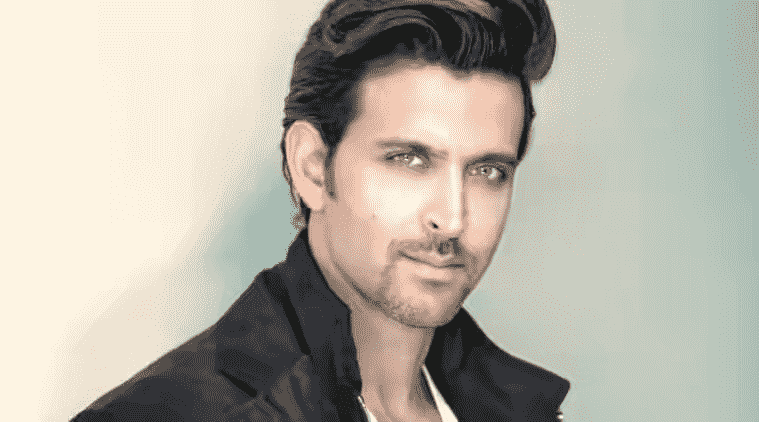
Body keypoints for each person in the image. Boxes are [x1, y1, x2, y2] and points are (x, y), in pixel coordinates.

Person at [73, 0, 569, 420]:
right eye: (409, 160)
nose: (453, 219)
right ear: (312, 167)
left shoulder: (521, 408)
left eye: (488, 171)